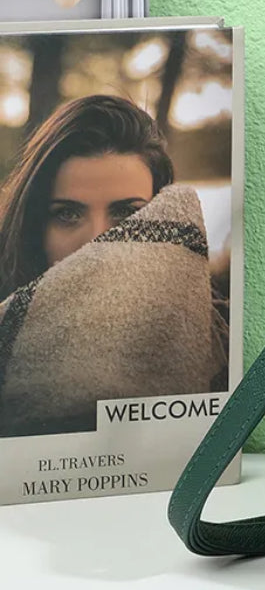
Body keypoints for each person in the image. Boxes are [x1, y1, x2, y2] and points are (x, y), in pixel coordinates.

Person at [0, 95, 229, 434]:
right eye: (67, 214)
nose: (97, 241)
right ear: (34, 227)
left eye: (126, 214)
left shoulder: (219, 342)